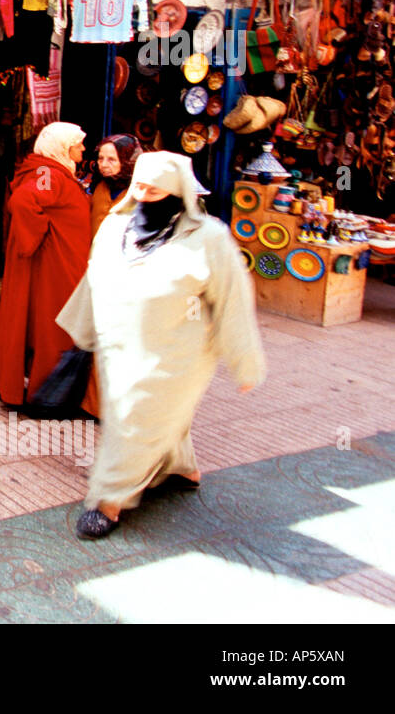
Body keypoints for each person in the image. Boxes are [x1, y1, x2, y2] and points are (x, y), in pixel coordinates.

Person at [56, 151, 267, 539]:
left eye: (157, 191)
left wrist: (245, 362)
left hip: (178, 351)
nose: (146, 196)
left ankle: (108, 499)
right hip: (119, 345)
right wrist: (82, 330)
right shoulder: (115, 227)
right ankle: (182, 468)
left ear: (178, 193)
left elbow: (233, 301)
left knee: (135, 418)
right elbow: (93, 278)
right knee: (155, 415)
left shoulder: (209, 238)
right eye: (141, 188)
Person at [0, 122, 91, 409]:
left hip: (54, 262)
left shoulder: (52, 171)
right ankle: (48, 395)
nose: (83, 147)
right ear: (61, 146)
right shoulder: (47, 172)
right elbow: (24, 200)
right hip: (53, 265)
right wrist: (38, 238)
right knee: (53, 325)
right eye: (78, 142)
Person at [87, 134, 142, 238]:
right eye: (100, 158)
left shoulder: (141, 192)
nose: (103, 165)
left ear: (127, 160)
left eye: (111, 160)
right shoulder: (98, 185)